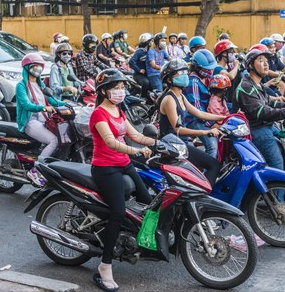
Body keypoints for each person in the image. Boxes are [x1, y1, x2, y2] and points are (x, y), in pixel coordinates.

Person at [89, 69, 154, 292]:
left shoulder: (118, 110)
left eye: (122, 87)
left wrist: (158, 143)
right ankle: (104, 265)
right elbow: (110, 142)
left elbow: (134, 135)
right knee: (118, 211)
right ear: (104, 91)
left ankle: (138, 241)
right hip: (105, 168)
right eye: (115, 88)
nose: (120, 91)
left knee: (149, 201)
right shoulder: (99, 114)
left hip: (123, 163)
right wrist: (135, 151)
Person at [235, 49, 285, 172]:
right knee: (277, 164)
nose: (266, 64)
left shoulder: (257, 84)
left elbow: (271, 102)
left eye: (267, 61)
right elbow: (261, 111)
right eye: (261, 61)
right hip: (257, 129)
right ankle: (278, 190)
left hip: (267, 126)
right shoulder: (246, 87)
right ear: (250, 65)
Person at [159, 59, 222, 184]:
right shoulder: (169, 100)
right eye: (179, 73)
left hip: (180, 143)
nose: (184, 75)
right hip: (172, 146)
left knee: (198, 172)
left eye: (184, 72)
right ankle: (204, 198)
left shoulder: (181, 96)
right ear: (169, 80)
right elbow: (179, 130)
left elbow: (199, 113)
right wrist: (206, 132)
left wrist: (223, 117)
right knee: (213, 164)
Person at [16, 53, 67, 187]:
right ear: (27, 68)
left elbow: (52, 100)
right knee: (54, 140)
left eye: (40, 67)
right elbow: (26, 105)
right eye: (35, 67)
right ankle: (35, 171)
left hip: (44, 120)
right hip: (30, 121)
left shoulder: (40, 85)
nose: (38, 69)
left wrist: (67, 104)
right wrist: (44, 108)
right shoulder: (21, 86)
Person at [183, 49, 219, 158]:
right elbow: (197, 109)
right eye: (207, 69)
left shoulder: (207, 79)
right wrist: (212, 124)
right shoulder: (193, 82)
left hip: (206, 117)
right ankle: (207, 172)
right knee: (212, 145)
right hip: (194, 120)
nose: (210, 71)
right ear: (198, 68)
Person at [129, 33, 153, 99]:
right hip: (138, 75)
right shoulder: (139, 51)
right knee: (146, 83)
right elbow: (131, 62)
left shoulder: (150, 51)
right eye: (151, 41)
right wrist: (139, 70)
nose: (152, 43)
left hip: (148, 74)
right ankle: (143, 97)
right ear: (147, 42)